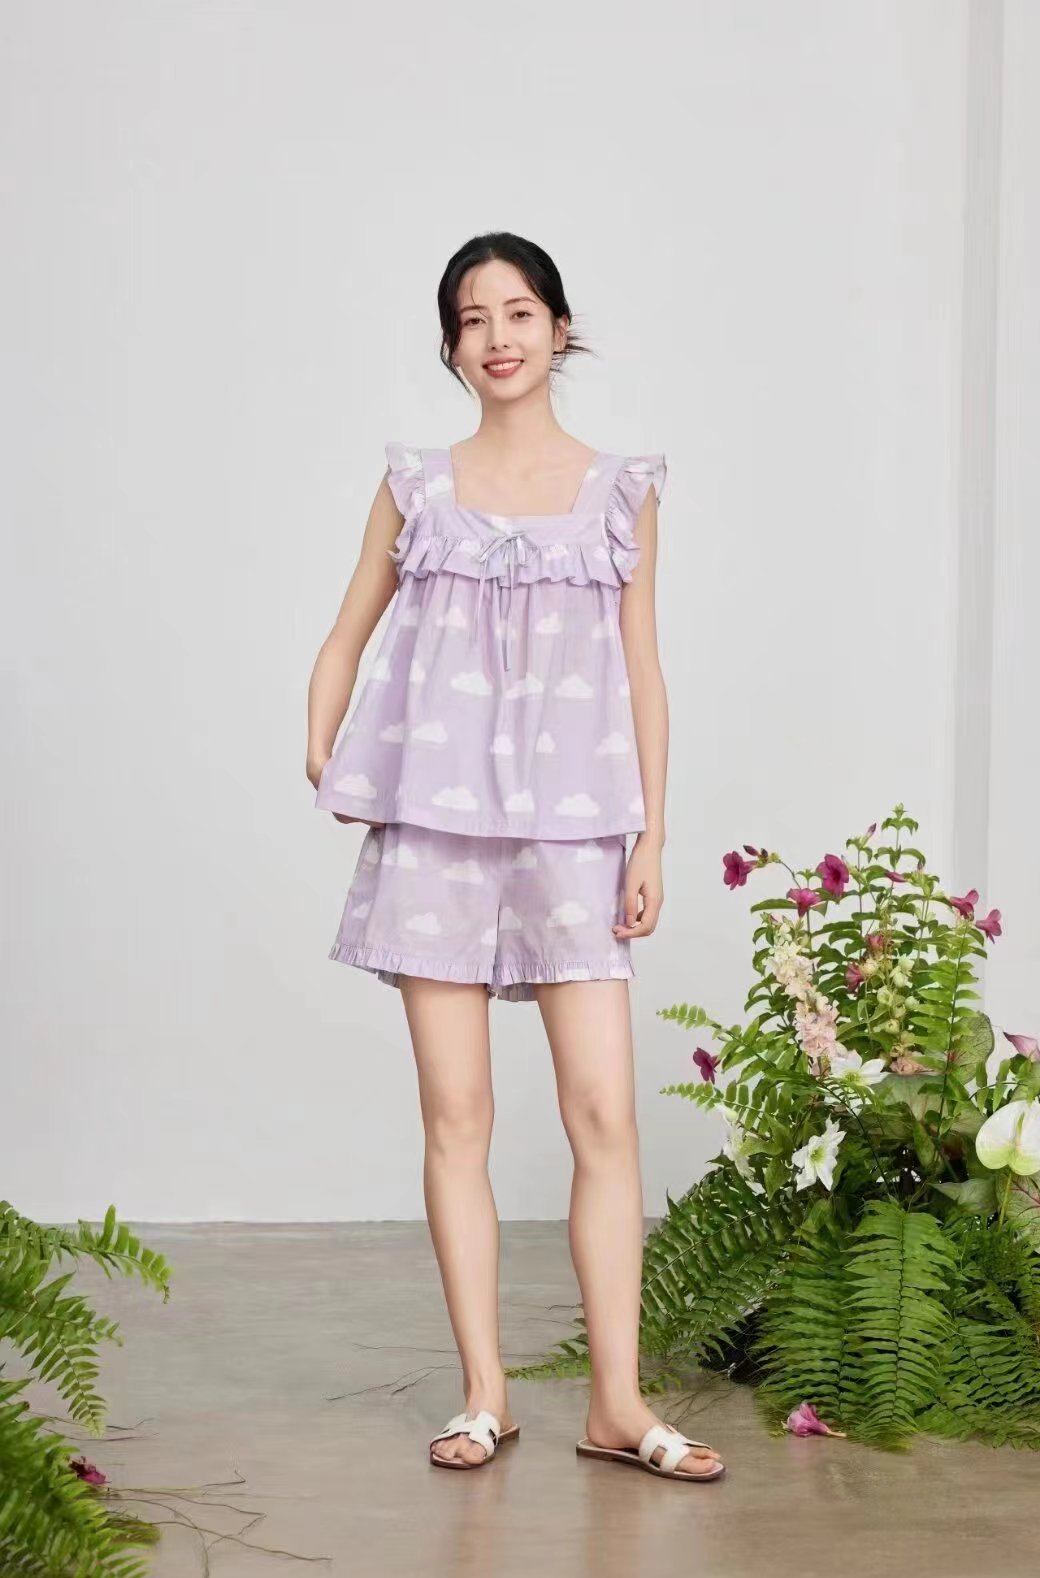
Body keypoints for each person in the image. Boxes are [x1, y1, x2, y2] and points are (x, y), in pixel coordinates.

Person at [306, 232, 724, 1482]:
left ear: (559, 328)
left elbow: (645, 671)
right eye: (475, 317)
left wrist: (650, 833)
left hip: (573, 828)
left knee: (604, 1113)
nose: (499, 335)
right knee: (457, 1115)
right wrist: (326, 745)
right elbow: (346, 630)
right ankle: (484, 1393)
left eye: (521, 311)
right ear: (452, 345)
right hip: (434, 831)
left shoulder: (621, 493)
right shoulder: (417, 487)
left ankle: (616, 1402)